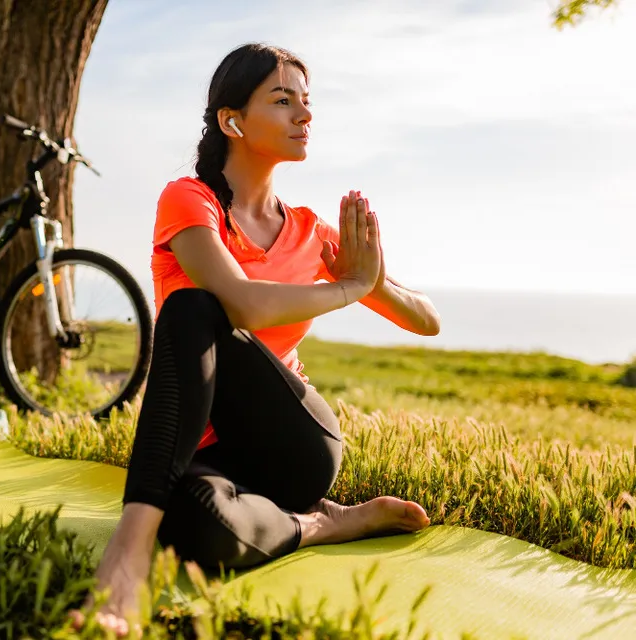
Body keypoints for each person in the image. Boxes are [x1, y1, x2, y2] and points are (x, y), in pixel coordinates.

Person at [69, 42, 441, 637]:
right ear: (232, 121)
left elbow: (426, 319)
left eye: (307, 101)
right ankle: (325, 525)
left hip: (292, 444)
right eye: (283, 99)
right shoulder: (190, 201)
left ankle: (125, 558)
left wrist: (369, 279)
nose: (305, 115)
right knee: (193, 527)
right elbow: (242, 302)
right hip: (205, 454)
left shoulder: (310, 231)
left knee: (191, 308)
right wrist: (347, 289)